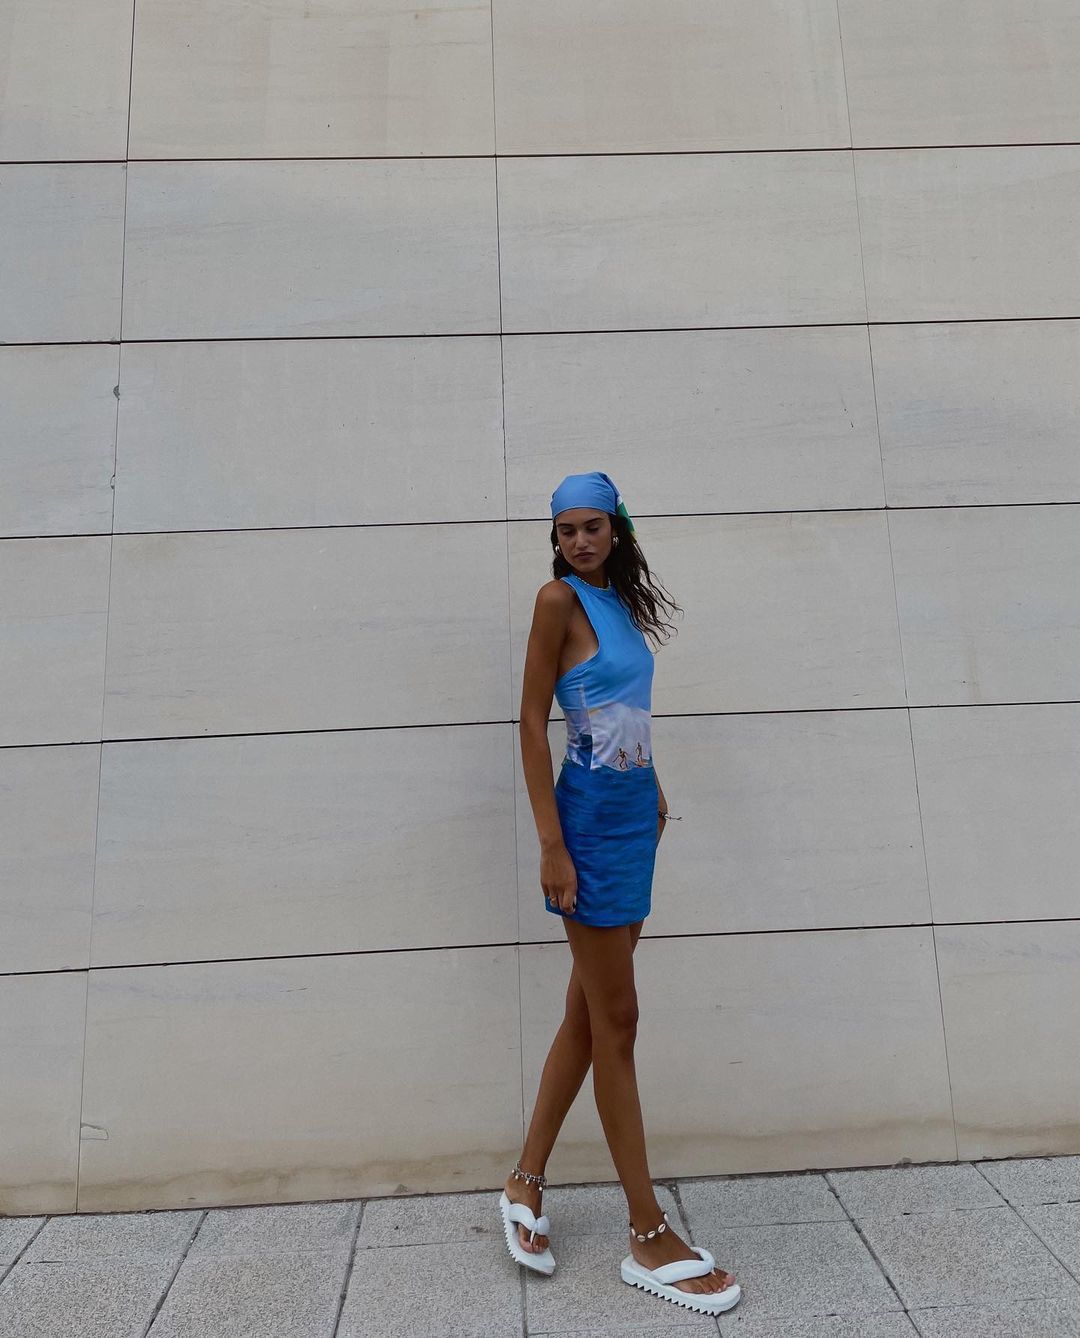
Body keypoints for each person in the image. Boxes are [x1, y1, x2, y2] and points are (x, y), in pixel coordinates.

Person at [497, 471, 741, 1318]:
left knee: (588, 1015)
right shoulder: (557, 602)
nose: (578, 542)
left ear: (617, 530)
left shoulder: (619, 606)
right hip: (589, 830)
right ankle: (647, 1231)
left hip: (636, 820)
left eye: (591, 527)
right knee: (620, 1023)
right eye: (565, 530)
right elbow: (532, 722)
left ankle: (525, 1181)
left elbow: (625, 713)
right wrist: (551, 843)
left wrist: (655, 787)